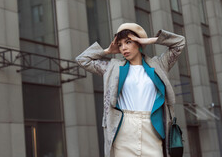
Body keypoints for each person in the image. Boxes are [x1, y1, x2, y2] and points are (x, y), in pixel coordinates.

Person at [76, 23, 185, 157]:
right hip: (124, 130)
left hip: (152, 129)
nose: (124, 48)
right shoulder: (112, 68)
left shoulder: (159, 65)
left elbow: (179, 43)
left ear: (138, 43)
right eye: (120, 44)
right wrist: (107, 51)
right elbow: (82, 60)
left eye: (128, 42)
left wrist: (148, 40)